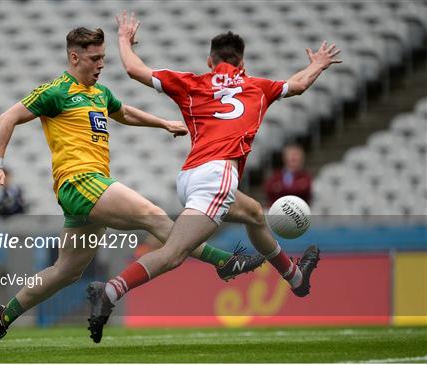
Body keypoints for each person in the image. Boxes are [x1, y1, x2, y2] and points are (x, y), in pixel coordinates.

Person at [0, 27, 265, 351]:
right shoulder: (56, 91)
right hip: (79, 182)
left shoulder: (99, 93)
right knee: (153, 215)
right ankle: (222, 261)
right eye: (95, 58)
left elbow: (125, 112)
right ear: (74, 57)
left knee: (66, 271)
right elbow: (8, 117)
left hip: (88, 191)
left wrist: (163, 122)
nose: (102, 63)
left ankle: (2, 318)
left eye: (103, 56)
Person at [87, 12, 341, 342]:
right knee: (174, 253)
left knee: (253, 214)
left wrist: (123, 39)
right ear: (243, 63)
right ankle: (109, 292)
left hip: (191, 175)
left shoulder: (192, 83)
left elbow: (134, 69)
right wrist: (318, 63)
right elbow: (301, 84)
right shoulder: (257, 87)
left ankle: (295, 277)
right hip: (218, 176)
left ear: (211, 61)